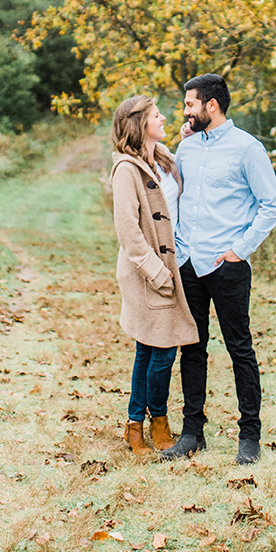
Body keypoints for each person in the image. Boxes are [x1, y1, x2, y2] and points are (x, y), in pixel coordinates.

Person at [162, 73, 276, 466]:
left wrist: (240, 249)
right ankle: (192, 433)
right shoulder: (188, 147)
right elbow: (175, 193)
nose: (185, 111)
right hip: (189, 263)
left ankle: (250, 436)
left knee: (239, 349)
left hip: (227, 266)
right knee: (192, 350)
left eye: (190, 104)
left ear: (211, 105)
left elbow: (271, 204)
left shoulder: (248, 148)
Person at [111, 95, 199, 457]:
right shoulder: (126, 170)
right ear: (138, 124)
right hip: (147, 271)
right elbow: (128, 233)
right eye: (156, 115)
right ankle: (153, 423)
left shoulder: (163, 157)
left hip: (170, 265)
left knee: (149, 349)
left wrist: (188, 142)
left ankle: (137, 423)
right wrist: (157, 272)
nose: (164, 118)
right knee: (161, 351)